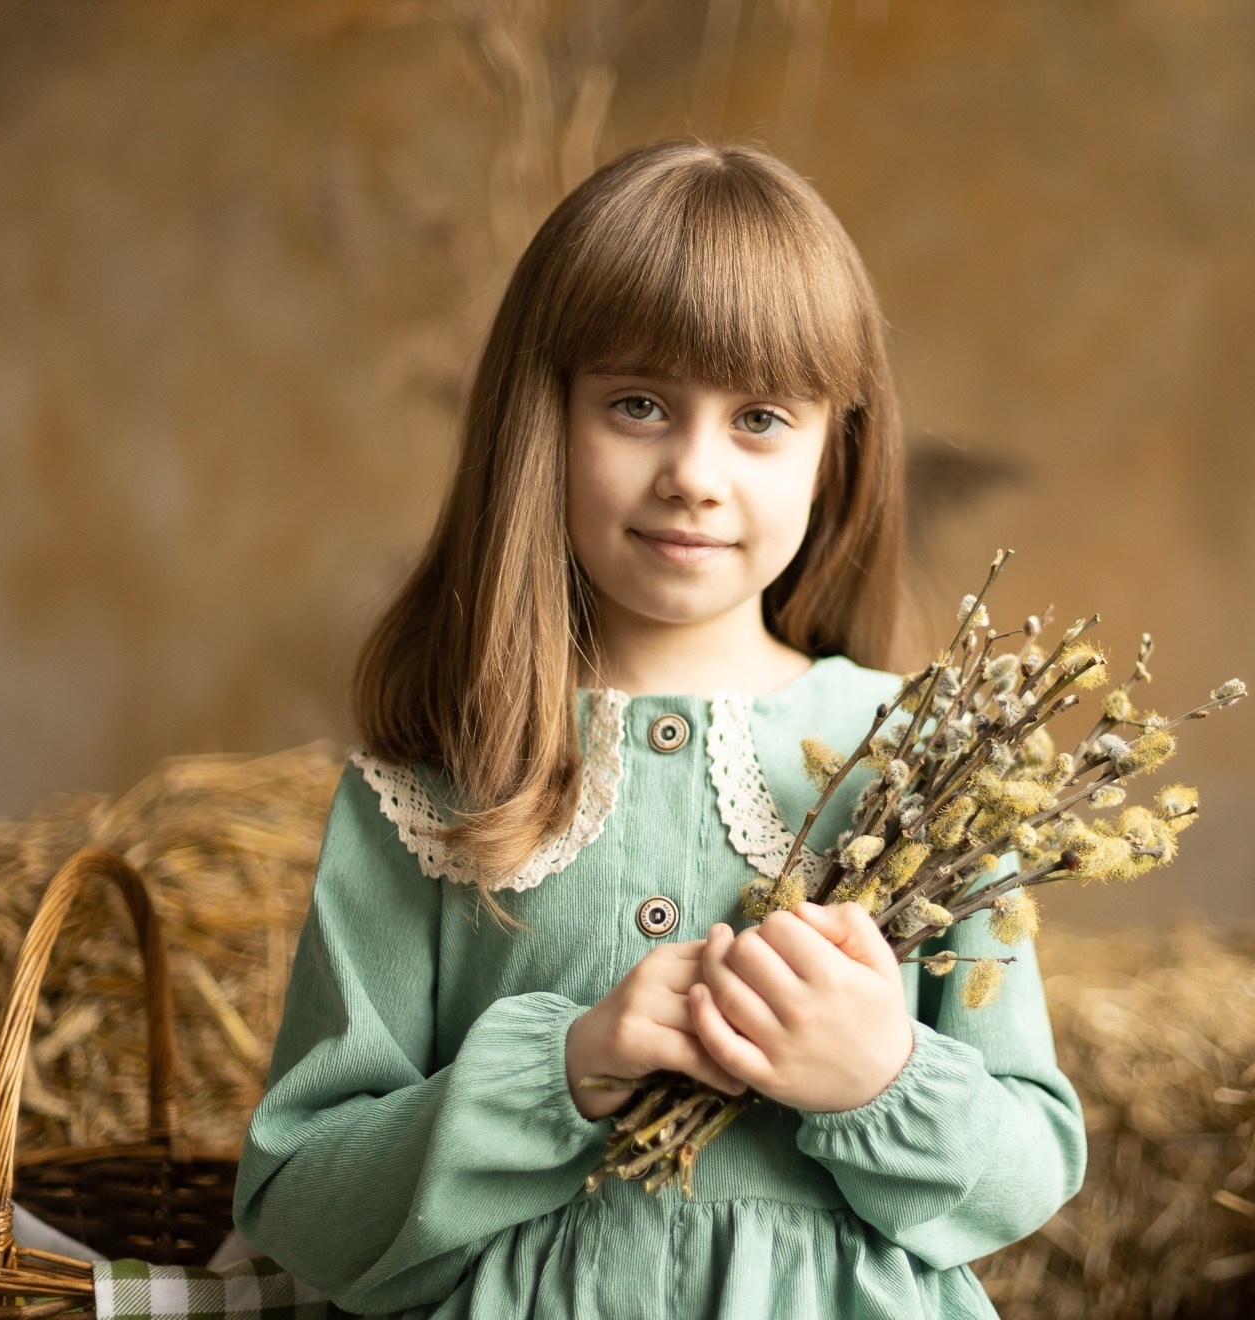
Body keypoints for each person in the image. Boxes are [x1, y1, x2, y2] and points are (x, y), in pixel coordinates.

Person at [231, 138, 1086, 1320]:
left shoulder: (922, 766)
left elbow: (1028, 1171)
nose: (692, 471)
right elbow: (301, 1206)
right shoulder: (434, 779)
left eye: (759, 419)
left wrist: (879, 1080)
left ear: (837, 447)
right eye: (638, 404)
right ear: (544, 419)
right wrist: (563, 1071)